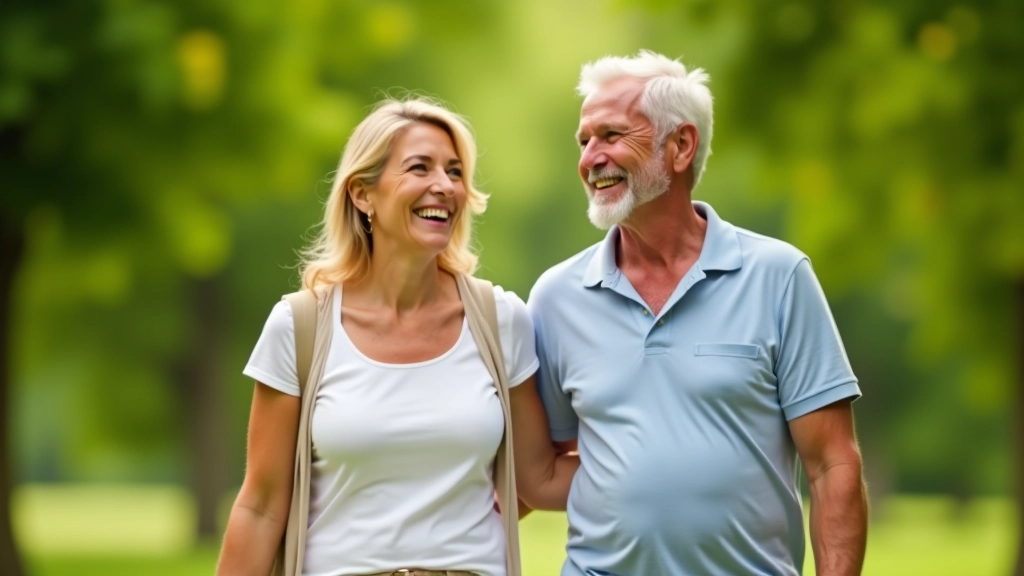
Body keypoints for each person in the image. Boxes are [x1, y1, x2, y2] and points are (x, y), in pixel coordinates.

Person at [528, 51, 868, 575]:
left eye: (612, 135)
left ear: (680, 146)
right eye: (584, 140)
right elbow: (544, 468)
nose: (591, 158)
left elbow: (833, 465)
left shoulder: (778, 276)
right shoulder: (556, 297)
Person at [216, 97, 578, 576]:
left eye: (453, 171)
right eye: (419, 168)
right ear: (363, 195)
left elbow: (539, 479)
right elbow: (260, 508)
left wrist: (678, 457)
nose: (443, 186)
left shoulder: (500, 321)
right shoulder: (299, 329)